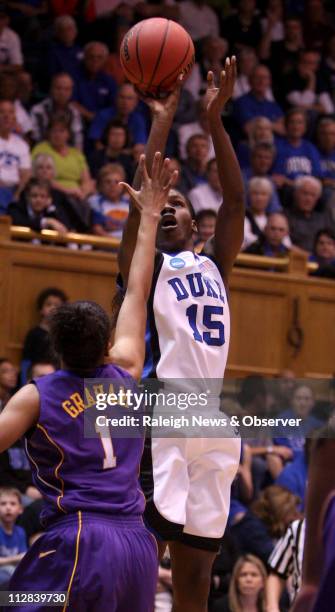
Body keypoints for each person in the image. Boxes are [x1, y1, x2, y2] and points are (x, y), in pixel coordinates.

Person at [0, 152, 177, 611]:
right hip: (140, 547)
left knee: (11, 599)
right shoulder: (128, 368)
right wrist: (152, 215)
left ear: (54, 349)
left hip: (81, 540)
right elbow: (138, 288)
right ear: (107, 347)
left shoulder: (35, 396)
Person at [118, 58, 244, 612]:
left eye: (178, 205)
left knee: (198, 569)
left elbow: (236, 202)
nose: (166, 209)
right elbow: (145, 193)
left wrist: (214, 120)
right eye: (160, 205)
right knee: (145, 552)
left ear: (197, 224)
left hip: (214, 417)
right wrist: (165, 119)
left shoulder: (215, 263)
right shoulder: (144, 266)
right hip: (163, 411)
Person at [31, 73, 84, 149]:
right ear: (51, 89)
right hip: (44, 153)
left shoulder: (74, 112)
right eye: (58, 88)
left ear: (71, 92)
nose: (62, 93)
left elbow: (78, 140)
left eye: (66, 89)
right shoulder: (38, 110)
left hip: (68, 154)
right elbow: (37, 139)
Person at [0, 99, 31, 211]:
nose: (6, 116)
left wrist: (17, 194)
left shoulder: (22, 145)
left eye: (10, 112)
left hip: (15, 191)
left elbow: (26, 173)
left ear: (15, 118)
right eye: (2, 112)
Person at [88, 163, 129, 240]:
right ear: (100, 185)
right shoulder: (95, 202)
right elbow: (97, 230)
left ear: (123, 185)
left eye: (117, 182)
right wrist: (117, 243)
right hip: (107, 243)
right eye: (108, 182)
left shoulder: (129, 202)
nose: (112, 185)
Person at [0, 487, 27, 588]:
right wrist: (14, 559)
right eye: (3, 504)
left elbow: (23, 557)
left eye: (12, 504)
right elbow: (19, 557)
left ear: (20, 509)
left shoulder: (20, 531)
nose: (8, 507)